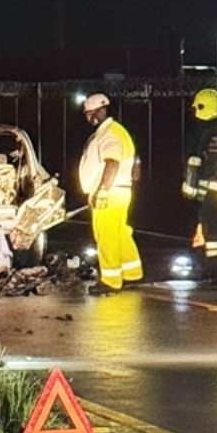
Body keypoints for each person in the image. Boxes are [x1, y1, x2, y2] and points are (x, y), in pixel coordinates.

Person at [78, 93, 143, 293]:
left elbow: (112, 162)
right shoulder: (118, 131)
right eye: (87, 115)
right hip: (120, 191)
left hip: (111, 193)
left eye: (91, 114)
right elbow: (136, 165)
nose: (89, 118)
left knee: (106, 235)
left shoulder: (109, 134)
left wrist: (103, 190)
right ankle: (132, 273)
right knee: (119, 232)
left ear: (102, 110)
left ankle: (111, 280)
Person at [181, 88, 217, 289]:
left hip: (215, 193)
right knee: (209, 235)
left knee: (215, 237)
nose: (194, 112)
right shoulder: (208, 131)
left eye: (197, 108)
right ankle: (212, 272)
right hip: (208, 193)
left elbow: (212, 164)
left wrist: (195, 187)